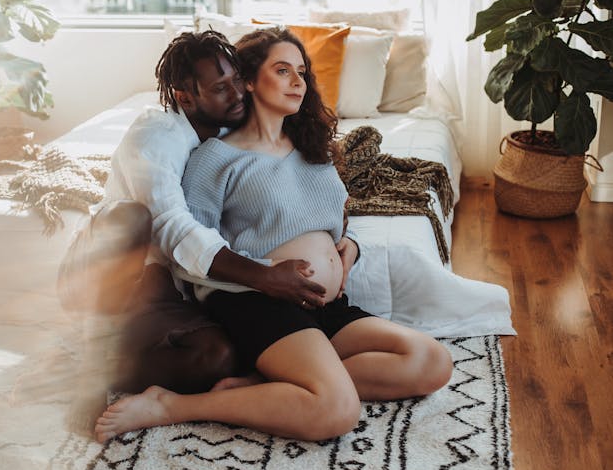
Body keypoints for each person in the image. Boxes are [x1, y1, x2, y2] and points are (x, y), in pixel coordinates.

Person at [94, 27, 453, 443]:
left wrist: (349, 248)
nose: (298, 82)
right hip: (259, 305)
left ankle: (259, 386)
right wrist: (264, 276)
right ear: (250, 80)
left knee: (431, 361)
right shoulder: (214, 158)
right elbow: (186, 249)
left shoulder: (312, 148)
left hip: (323, 304)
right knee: (335, 411)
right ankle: (170, 405)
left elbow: (332, 216)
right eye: (283, 70)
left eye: (302, 71)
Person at [59, 30, 359, 395]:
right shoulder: (157, 136)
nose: (237, 94)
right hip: (120, 269)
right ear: (186, 97)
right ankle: (92, 356)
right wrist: (263, 277)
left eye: (237, 80)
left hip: (176, 282)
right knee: (132, 217)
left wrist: (348, 243)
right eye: (220, 88)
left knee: (218, 358)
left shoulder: (231, 126)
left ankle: (117, 366)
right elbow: (172, 226)